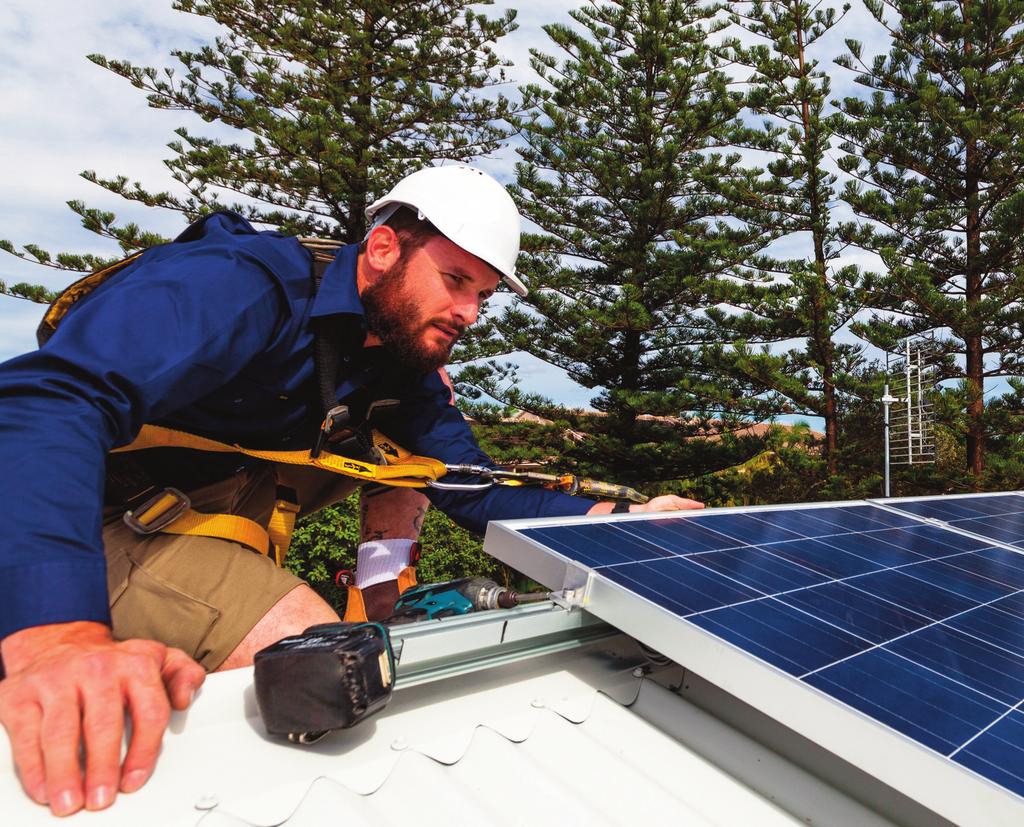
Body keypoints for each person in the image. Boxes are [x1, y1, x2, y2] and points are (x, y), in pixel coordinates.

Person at [0, 165, 702, 816]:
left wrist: (616, 518)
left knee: (408, 457)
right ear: (384, 248)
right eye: (456, 280)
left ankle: (379, 598)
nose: (470, 313)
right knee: (326, 664)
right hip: (89, 510)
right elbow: (45, 401)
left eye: (482, 296)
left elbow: (468, 483)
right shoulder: (241, 284)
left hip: (213, 498)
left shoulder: (397, 363)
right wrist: (56, 635)